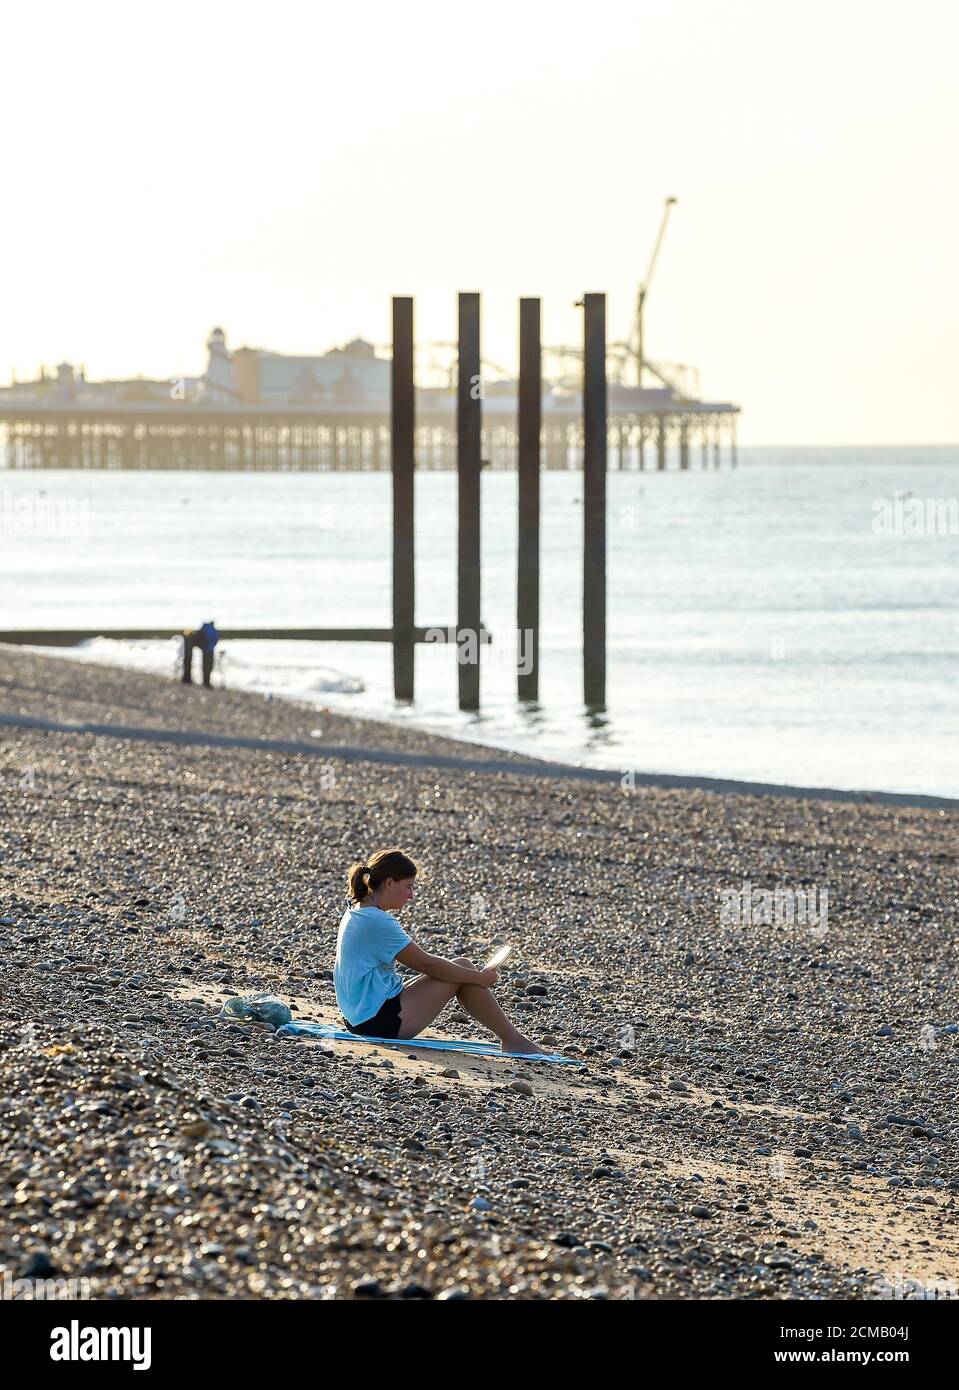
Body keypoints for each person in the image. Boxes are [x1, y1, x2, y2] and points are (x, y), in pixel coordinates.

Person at [334, 847, 544, 1054]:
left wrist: (474, 975)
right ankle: (513, 1040)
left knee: (462, 966)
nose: (411, 896)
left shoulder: (357, 909)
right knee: (463, 973)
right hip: (376, 1022)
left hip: (358, 1015)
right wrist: (479, 979)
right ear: (389, 883)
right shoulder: (378, 921)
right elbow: (427, 964)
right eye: (408, 886)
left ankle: (512, 1039)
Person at [181, 619, 221, 687]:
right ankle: (206, 682)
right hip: (208, 649)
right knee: (207, 666)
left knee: (188, 661)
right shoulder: (212, 631)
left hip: (197, 646)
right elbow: (215, 640)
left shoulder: (204, 630)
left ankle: (187, 679)